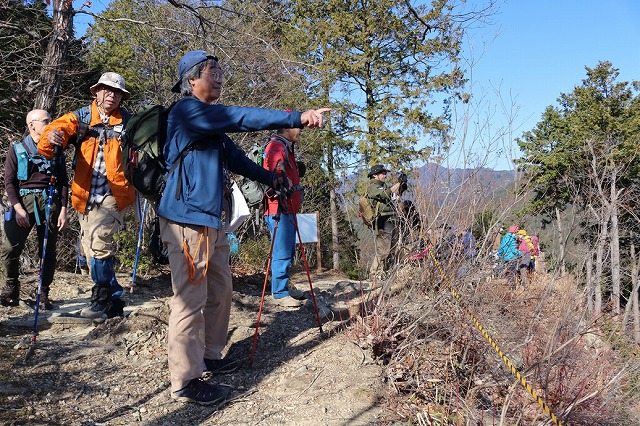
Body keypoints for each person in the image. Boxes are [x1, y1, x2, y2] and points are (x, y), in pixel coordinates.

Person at [157, 50, 330, 405]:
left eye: (221, 70)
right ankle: (185, 381)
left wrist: (271, 179)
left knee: (220, 289)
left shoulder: (210, 125)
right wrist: (296, 116)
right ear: (192, 80)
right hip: (187, 219)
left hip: (212, 220)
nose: (219, 76)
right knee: (190, 299)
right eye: (212, 71)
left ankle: (211, 355)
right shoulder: (187, 111)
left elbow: (235, 158)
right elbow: (239, 117)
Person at [39, 72, 135, 319]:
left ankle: (102, 299)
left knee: (99, 243)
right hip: (84, 194)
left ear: (122, 97)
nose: (112, 95)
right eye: (107, 89)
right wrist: (51, 136)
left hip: (115, 194)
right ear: (97, 91)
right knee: (90, 251)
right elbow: (56, 130)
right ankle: (113, 298)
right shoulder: (81, 117)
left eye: (117, 92)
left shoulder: (129, 122)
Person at [0, 109, 68, 309]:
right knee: (10, 247)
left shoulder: (57, 149)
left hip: (50, 200)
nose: (50, 124)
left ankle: (43, 291)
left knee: (47, 250)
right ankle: (11, 285)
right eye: (46, 121)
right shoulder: (17, 149)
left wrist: (63, 209)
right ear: (31, 125)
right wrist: (18, 208)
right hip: (23, 201)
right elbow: (9, 182)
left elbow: (63, 182)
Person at [263, 125, 306, 308]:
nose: (301, 130)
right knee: (281, 251)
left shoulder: (285, 147)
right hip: (279, 208)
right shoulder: (276, 146)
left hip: (286, 208)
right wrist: (283, 184)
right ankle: (280, 293)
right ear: (287, 128)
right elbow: (272, 173)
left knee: (287, 250)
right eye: (298, 127)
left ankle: (283, 288)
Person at [366, 164, 401, 278]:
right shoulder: (373, 187)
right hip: (383, 220)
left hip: (391, 219)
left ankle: (386, 272)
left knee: (392, 248)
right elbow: (383, 194)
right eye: (383, 173)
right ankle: (374, 273)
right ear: (375, 175)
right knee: (383, 249)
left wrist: (400, 189)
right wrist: (397, 185)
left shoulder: (383, 187)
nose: (385, 175)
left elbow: (392, 199)